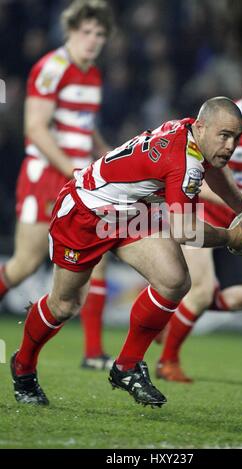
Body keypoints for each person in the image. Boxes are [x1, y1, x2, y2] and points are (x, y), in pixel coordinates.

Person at [10, 97, 242, 408]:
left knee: (174, 280)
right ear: (202, 127)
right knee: (65, 304)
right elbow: (184, 230)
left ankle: (126, 366)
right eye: (224, 136)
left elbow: (212, 171)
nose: (230, 146)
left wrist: (241, 206)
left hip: (131, 212)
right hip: (86, 211)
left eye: (236, 137)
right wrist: (232, 236)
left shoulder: (192, 134)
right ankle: (23, 367)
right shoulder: (183, 160)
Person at [156, 56, 242, 383]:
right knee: (202, 291)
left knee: (241, 299)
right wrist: (237, 203)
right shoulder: (226, 119)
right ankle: (167, 362)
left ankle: (173, 310)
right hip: (204, 208)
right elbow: (197, 173)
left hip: (241, 216)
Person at [0, 0, 115, 371]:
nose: (93, 40)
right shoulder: (52, 68)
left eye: (100, 34)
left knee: (100, 258)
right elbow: (35, 128)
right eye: (86, 32)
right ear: (69, 32)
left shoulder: (93, 73)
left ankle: (93, 353)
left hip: (78, 179)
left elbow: (84, 125)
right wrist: (73, 171)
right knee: (24, 265)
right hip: (47, 177)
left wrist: (108, 155)